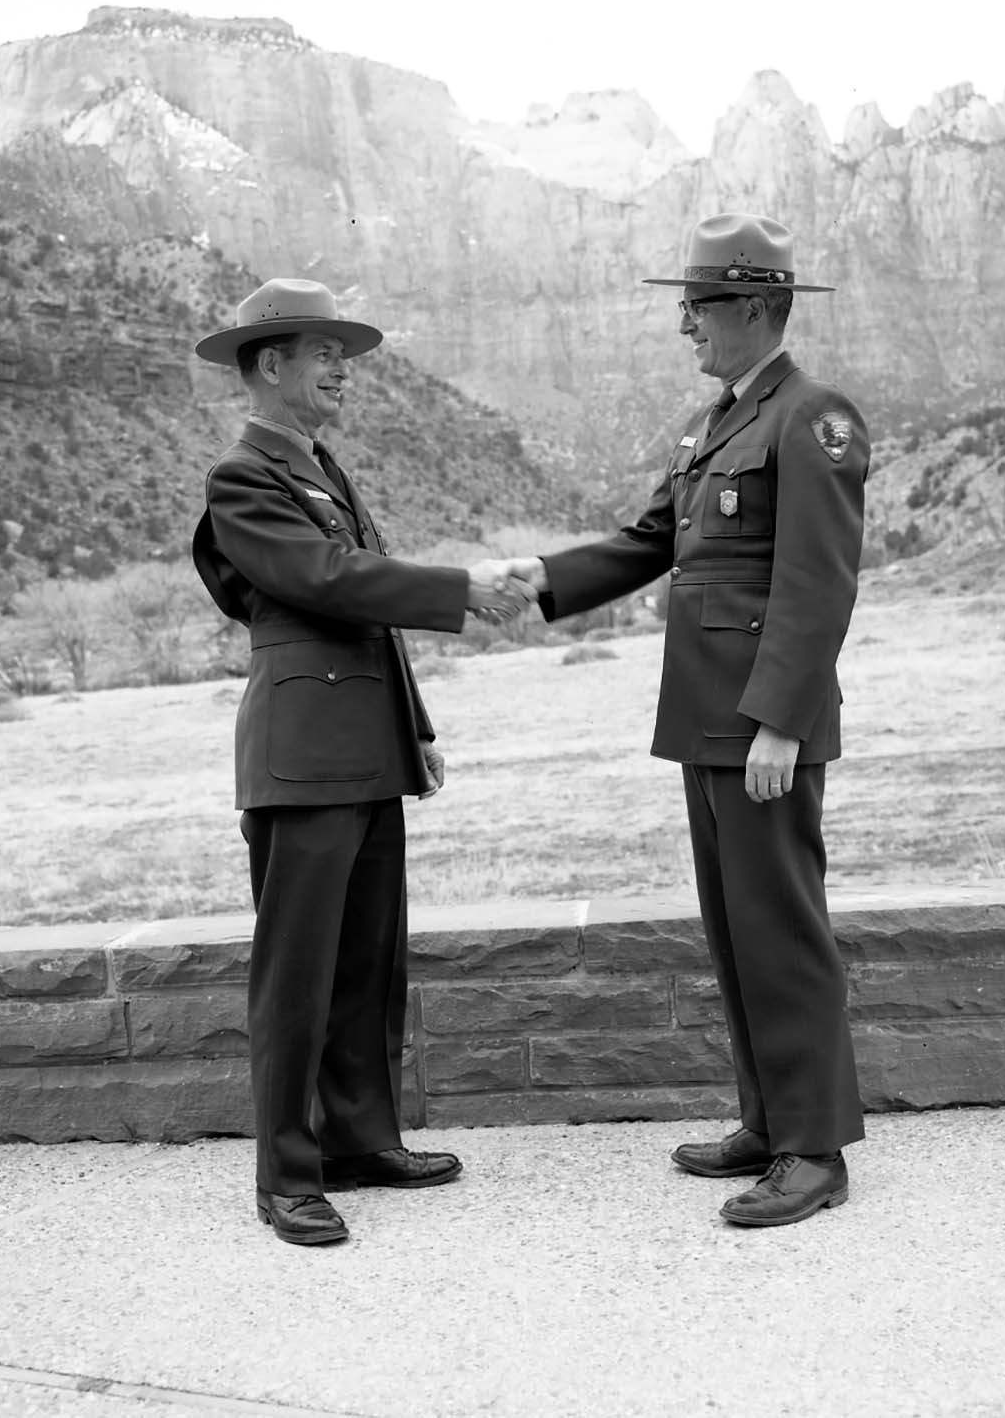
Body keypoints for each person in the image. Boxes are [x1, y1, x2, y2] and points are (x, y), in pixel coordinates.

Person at [503, 214, 869, 1228]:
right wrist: (541, 582)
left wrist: (782, 724)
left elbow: (817, 584)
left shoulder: (812, 417)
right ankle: (767, 1118)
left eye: (698, 305)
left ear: (755, 306)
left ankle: (815, 1150)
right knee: (735, 927)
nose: (684, 325)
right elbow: (646, 540)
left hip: (762, 725)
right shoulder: (716, 424)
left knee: (783, 930)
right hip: (707, 720)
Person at [191, 277, 532, 1247]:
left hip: (364, 752)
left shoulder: (323, 468)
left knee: (367, 964)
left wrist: (412, 726)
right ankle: (286, 1176)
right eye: (323, 351)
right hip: (301, 760)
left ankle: (357, 1139)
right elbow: (329, 582)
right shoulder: (243, 476)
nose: (343, 369)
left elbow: (366, 616)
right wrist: (465, 587)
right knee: (296, 975)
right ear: (267, 365)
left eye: (344, 354)